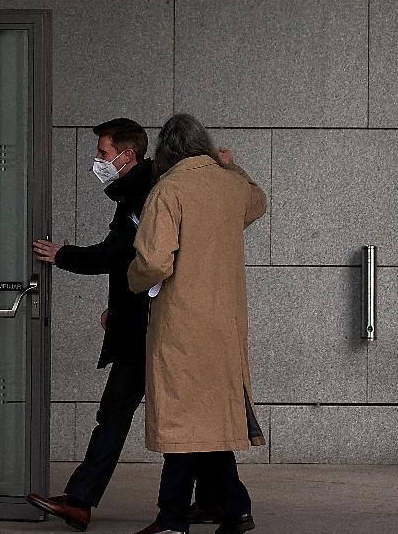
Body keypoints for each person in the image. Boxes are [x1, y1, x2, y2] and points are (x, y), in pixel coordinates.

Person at [126, 114, 267, 534]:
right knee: (211, 421)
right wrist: (228, 165)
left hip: (183, 324)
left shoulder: (168, 189)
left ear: (165, 151)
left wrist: (134, 281)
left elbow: (152, 262)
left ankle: (172, 519)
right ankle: (235, 508)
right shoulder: (230, 187)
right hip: (225, 325)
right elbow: (258, 199)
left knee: (182, 422)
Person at [26, 118, 161, 532]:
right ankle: (225, 501)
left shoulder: (143, 194)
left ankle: (81, 500)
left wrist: (63, 254)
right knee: (180, 413)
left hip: (147, 328)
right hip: (139, 320)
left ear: (128, 155)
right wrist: (116, 306)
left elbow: (114, 254)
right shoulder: (140, 189)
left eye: (103, 154)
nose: (98, 162)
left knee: (116, 413)